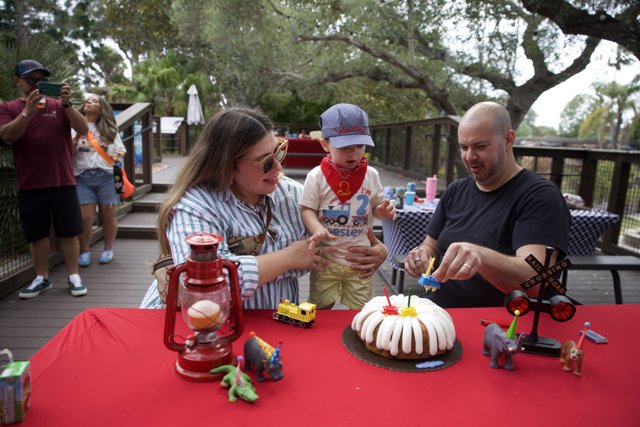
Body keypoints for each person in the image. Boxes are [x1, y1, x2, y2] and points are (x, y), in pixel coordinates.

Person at [139, 107, 387, 309]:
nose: (279, 169)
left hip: (273, 325)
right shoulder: (194, 207)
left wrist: (375, 252)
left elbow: (339, 229)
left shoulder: (291, 194)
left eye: (279, 152)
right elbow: (205, 288)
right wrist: (287, 258)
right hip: (200, 329)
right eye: (266, 162)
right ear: (226, 165)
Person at [404, 101, 570, 308]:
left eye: (480, 146)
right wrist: (420, 256)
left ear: (508, 140)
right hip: (440, 312)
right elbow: (431, 245)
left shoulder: (540, 196)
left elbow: (535, 281)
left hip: (503, 323)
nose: (470, 157)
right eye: (464, 147)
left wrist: (480, 257)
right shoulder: (455, 191)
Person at [0, 59, 89, 298]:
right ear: (18, 81)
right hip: (31, 184)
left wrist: (68, 104)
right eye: (32, 80)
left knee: (69, 232)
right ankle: (42, 277)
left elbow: (83, 129)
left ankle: (73, 275)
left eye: (42, 80)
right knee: (36, 234)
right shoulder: (9, 108)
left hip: (63, 181)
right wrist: (27, 112)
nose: (38, 84)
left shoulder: (60, 106)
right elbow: (7, 137)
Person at [300, 103, 396, 310]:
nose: (353, 153)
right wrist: (317, 228)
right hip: (327, 258)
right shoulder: (316, 176)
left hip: (360, 260)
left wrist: (383, 211)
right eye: (345, 147)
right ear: (325, 144)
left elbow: (376, 205)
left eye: (360, 146)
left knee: (361, 312)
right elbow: (307, 209)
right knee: (321, 310)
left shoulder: (371, 175)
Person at [73, 94, 126, 266]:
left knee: (108, 215)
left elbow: (121, 151)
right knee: (84, 217)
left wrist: (112, 156)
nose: (90, 102)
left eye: (95, 101)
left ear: (102, 108)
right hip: (82, 176)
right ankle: (85, 251)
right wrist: (76, 137)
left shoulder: (108, 129)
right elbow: (68, 151)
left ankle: (108, 249)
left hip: (107, 176)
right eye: (88, 100)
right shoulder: (74, 125)